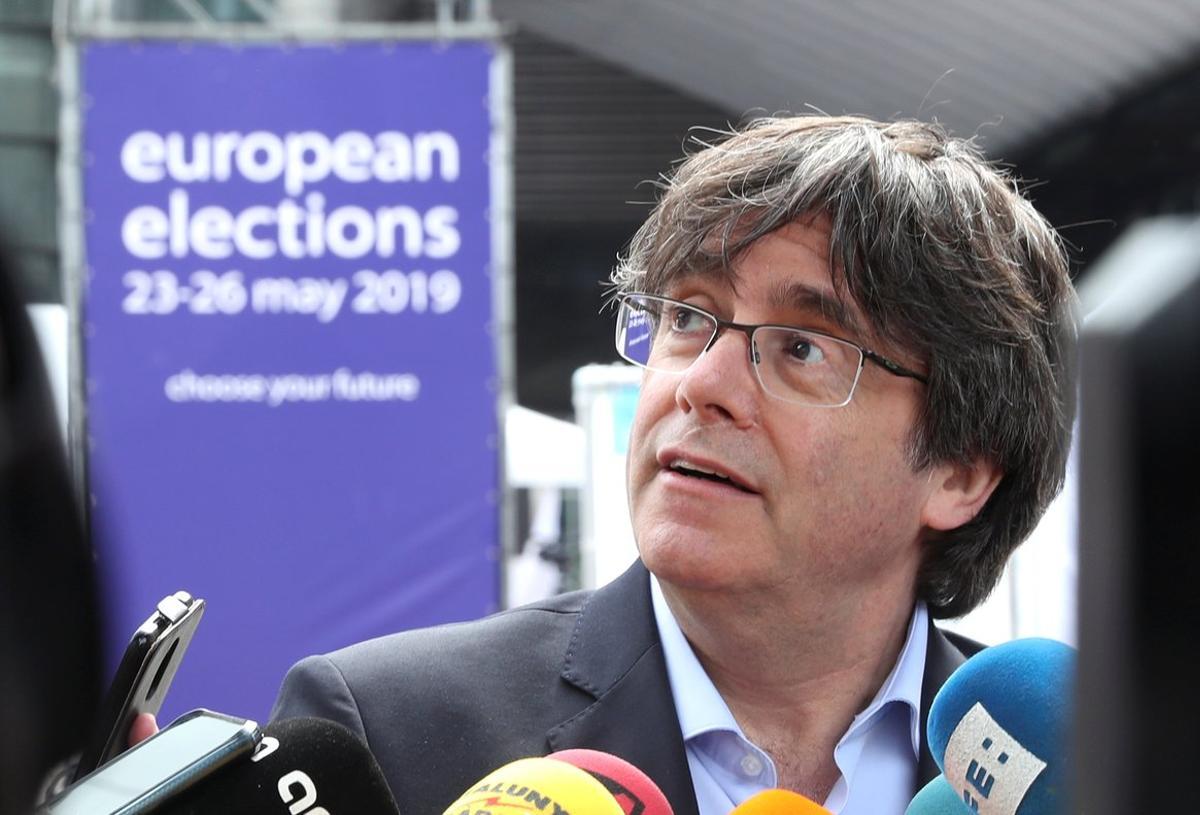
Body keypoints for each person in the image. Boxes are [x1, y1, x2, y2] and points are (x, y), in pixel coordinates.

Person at [270, 115, 1076, 815]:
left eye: (801, 347)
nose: (701, 385)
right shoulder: (386, 728)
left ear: (963, 470)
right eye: (688, 317)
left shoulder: (1079, 771)